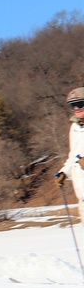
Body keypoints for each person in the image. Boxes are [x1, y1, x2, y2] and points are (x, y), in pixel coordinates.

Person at [56, 87, 84, 221]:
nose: (77, 109)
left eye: (81, 104)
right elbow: (73, 156)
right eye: (73, 106)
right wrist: (64, 172)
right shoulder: (75, 128)